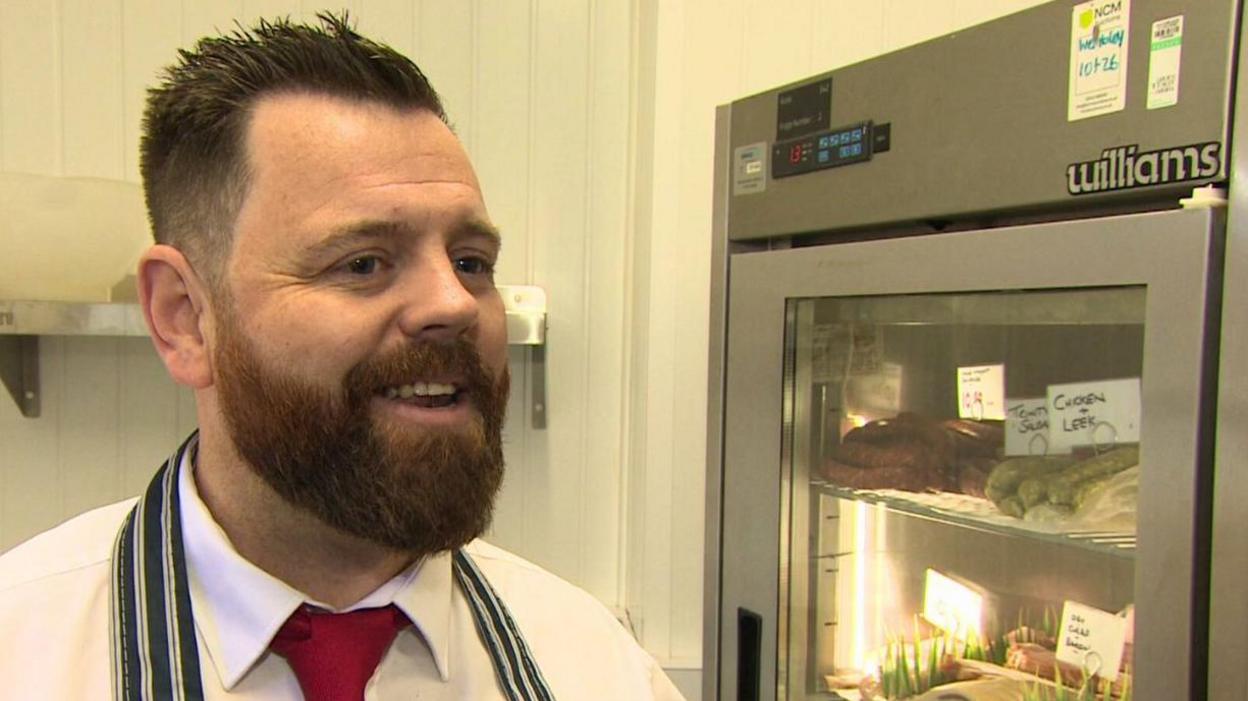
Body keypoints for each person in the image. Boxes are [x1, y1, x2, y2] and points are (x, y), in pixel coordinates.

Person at [0, 14, 684, 701]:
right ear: (185, 317)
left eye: (471, 261)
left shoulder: (598, 668)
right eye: (363, 263)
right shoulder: (25, 653)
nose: (453, 303)